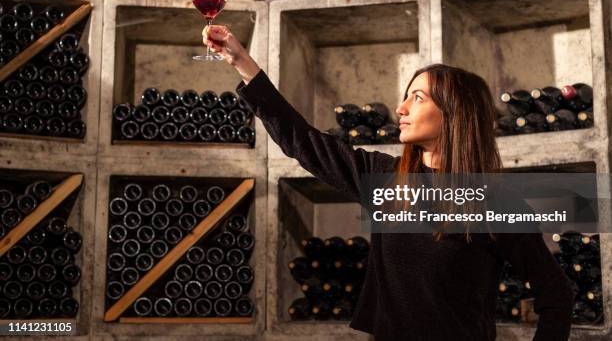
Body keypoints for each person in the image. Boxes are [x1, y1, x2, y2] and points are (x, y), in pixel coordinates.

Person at [202, 25, 575, 340]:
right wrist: (242, 63)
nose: (401, 109)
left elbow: (556, 295)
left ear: (453, 114)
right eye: (405, 97)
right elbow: (304, 142)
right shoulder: (386, 179)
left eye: (418, 98)